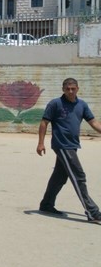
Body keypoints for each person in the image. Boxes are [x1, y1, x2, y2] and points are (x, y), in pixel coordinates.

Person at [36, 78, 101, 222]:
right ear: (63, 89)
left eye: (73, 88)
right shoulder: (55, 104)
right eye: (67, 89)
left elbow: (94, 122)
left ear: (77, 88)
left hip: (73, 145)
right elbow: (44, 122)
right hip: (62, 145)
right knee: (79, 176)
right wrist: (41, 143)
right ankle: (93, 212)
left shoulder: (82, 105)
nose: (70, 91)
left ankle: (46, 204)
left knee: (59, 177)